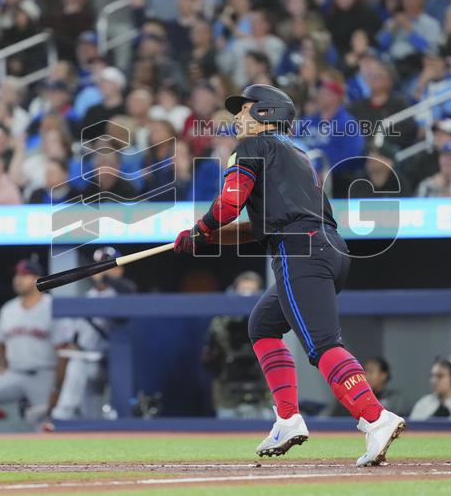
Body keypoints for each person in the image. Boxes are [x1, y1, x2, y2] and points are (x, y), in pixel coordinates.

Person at [173, 84, 405, 467]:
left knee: (323, 344)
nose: (237, 118)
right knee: (262, 325)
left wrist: (202, 227)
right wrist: (205, 236)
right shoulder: (294, 154)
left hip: (299, 250)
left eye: (245, 109)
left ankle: (374, 416)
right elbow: (256, 225)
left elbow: (230, 203)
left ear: (267, 114)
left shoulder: (251, 148)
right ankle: (287, 418)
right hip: (326, 247)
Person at [0, 258, 63, 433]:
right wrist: (1, 364)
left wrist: (57, 388)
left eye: (25, 275)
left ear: (38, 278)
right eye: (17, 275)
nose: (18, 279)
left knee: (44, 425)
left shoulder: (52, 307)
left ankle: (53, 460)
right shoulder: (8, 309)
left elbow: (63, 352)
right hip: (13, 373)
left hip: (44, 374)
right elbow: (0, 341)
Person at [51, 247, 136, 421]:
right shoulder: (86, 297)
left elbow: (129, 290)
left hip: (116, 362)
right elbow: (71, 337)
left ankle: (62, 416)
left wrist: (105, 276)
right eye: (98, 266)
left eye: (108, 265)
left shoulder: (121, 293)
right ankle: (61, 418)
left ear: (120, 269)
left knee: (116, 412)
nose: (101, 270)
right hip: (90, 360)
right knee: (91, 410)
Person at [202, 272, 271, 419]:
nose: (246, 296)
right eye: (242, 291)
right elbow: (209, 359)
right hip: (228, 393)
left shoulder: (269, 322)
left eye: (252, 292)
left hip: (262, 392)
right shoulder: (220, 322)